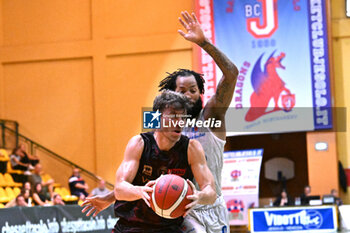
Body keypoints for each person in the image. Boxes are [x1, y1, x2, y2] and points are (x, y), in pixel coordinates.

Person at [82, 11, 238, 233]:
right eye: (181, 90)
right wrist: (111, 195)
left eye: (193, 90)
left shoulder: (211, 117)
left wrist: (203, 43)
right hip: (178, 207)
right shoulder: (159, 125)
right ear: (171, 96)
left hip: (210, 203)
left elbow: (231, 74)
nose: (188, 95)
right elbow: (148, 167)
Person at [83, 91, 216, 232]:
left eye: (183, 117)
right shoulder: (139, 144)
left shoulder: (191, 148)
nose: (179, 122)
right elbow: (120, 189)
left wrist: (200, 196)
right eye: (173, 117)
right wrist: (140, 191)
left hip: (168, 228)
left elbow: (211, 191)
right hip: (130, 227)